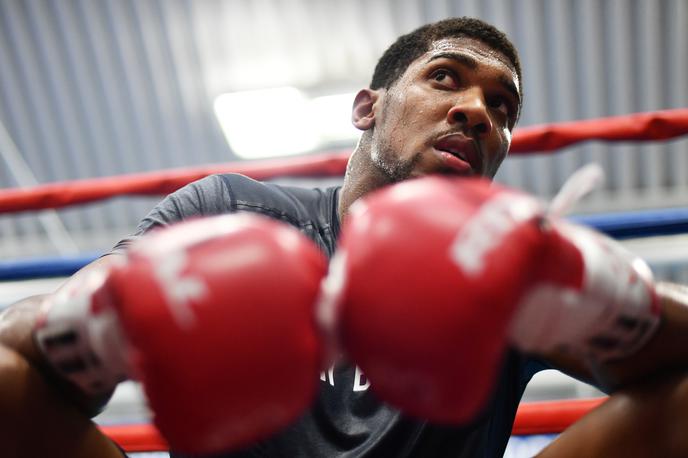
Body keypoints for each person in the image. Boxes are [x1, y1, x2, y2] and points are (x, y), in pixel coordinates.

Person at [1, 16, 687, 458]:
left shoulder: (510, 264)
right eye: (445, 77)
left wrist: (587, 285)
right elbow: (15, 344)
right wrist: (110, 316)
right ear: (368, 107)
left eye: (502, 107)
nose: (477, 111)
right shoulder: (230, 209)